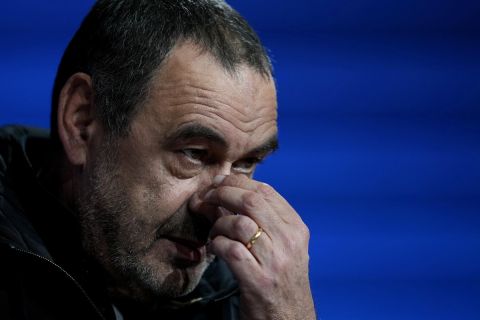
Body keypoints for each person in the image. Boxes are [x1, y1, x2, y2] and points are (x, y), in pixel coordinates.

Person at [0, 1, 315, 319]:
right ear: (82, 123)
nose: (218, 208)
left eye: (246, 163)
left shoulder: (244, 294)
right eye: (194, 154)